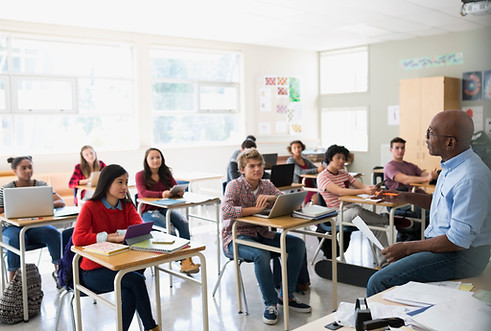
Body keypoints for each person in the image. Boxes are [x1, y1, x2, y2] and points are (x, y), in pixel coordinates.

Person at [367, 110, 491, 296]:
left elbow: (458, 240)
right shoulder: (451, 166)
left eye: (430, 133)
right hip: (448, 248)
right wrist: (404, 197)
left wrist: (408, 248)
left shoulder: (470, 177)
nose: (426, 138)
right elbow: (440, 203)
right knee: (387, 271)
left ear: (450, 142)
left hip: (463, 256)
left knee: (379, 282)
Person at [222, 148, 311, 325]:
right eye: (252, 166)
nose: (257, 169)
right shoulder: (234, 185)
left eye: (260, 165)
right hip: (236, 238)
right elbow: (226, 210)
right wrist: (254, 210)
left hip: (261, 233)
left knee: (297, 245)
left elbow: (291, 203)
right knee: (261, 254)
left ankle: (286, 296)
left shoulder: (267, 184)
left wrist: (271, 199)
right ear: (242, 169)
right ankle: (271, 304)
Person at [72, 164, 160, 331]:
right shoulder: (90, 206)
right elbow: (78, 238)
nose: (124, 187)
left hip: (122, 265)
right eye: (120, 182)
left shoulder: (127, 206)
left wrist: (119, 234)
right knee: (135, 280)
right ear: (107, 183)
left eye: (126, 182)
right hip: (93, 271)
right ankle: (151, 327)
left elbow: (139, 229)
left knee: (130, 288)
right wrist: (109, 236)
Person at [317, 144, 389, 266]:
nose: (342, 161)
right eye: (338, 158)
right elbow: (340, 192)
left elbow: (361, 186)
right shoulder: (322, 176)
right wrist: (364, 191)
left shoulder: (344, 173)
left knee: (377, 226)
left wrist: (371, 188)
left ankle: (386, 263)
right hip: (336, 214)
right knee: (357, 212)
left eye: (344, 159)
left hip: (351, 210)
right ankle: (386, 218)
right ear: (330, 158)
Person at [135, 147, 199, 274]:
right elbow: (142, 193)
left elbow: (174, 187)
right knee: (170, 228)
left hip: (165, 208)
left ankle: (186, 259)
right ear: (146, 160)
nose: (155, 160)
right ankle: (180, 259)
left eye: (158, 157)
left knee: (184, 222)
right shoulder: (140, 175)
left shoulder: (165, 173)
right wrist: (161, 194)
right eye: (152, 158)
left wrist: (178, 192)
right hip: (148, 212)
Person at [0, 156, 64, 284]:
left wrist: (43, 204)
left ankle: (59, 275)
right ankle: (13, 283)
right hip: (11, 228)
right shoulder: (6, 189)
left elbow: (60, 201)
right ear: (14, 170)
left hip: (33, 227)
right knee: (16, 238)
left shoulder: (41, 185)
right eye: (23, 168)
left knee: (53, 233)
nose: (28, 170)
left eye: (30, 167)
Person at [286, 140, 324, 204]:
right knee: (316, 198)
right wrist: (317, 170)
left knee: (324, 194)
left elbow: (315, 168)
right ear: (291, 150)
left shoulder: (305, 160)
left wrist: (322, 168)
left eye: (299, 147)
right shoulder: (290, 161)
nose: (297, 149)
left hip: (311, 186)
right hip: (299, 188)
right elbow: (300, 172)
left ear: (302, 148)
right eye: (294, 148)